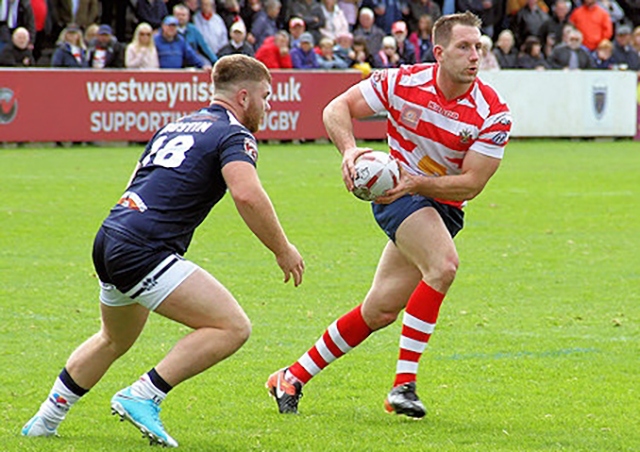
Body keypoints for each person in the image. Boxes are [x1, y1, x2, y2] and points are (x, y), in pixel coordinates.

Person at [21, 54, 305, 447]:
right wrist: (282, 249)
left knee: (112, 339)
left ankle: (44, 421)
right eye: (266, 96)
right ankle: (143, 394)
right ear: (243, 96)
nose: (268, 105)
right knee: (232, 326)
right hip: (143, 247)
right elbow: (247, 194)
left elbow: (135, 181)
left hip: (111, 234)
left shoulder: (175, 126)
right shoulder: (234, 134)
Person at [266, 11, 511, 418]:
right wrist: (349, 150)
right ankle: (404, 385)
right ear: (439, 52)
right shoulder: (402, 81)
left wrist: (417, 182)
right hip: (396, 195)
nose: (475, 56)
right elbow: (336, 108)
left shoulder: (493, 112)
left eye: (478, 47)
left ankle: (291, 376)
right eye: (464, 47)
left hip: (440, 203)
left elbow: (471, 184)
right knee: (444, 265)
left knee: (379, 310)